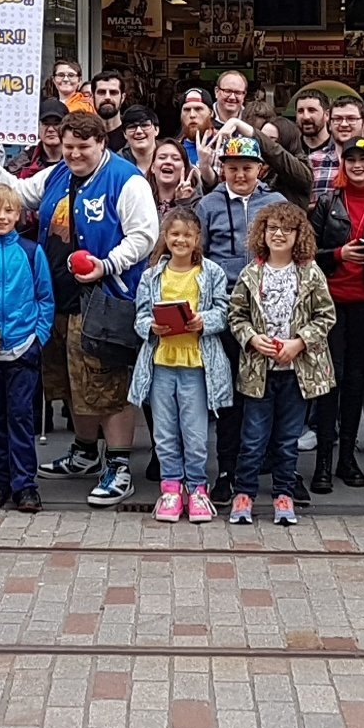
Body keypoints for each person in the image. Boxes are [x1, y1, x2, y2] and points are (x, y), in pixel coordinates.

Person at [0, 112, 160, 507]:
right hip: (57, 297)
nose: (74, 154)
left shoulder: (126, 179)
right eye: (68, 146)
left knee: (108, 384)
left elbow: (145, 235)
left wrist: (107, 264)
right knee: (74, 383)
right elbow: (19, 191)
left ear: (101, 144)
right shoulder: (56, 174)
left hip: (106, 299)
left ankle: (119, 466)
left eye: (83, 147)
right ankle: (84, 452)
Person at [226, 202, 336, 526]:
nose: (278, 234)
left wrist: (299, 342)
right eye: (272, 227)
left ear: (298, 235)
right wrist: (250, 338)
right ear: (262, 231)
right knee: (253, 439)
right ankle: (243, 493)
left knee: (288, 441)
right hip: (259, 373)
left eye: (287, 229)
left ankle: (283, 494)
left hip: (297, 374)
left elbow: (326, 315)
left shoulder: (310, 272)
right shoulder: (251, 274)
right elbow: (236, 315)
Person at [132, 207, 234, 523]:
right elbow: (140, 315)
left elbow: (224, 311)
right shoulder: (152, 276)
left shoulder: (211, 272)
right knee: (164, 432)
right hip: (161, 362)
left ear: (197, 238)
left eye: (187, 235)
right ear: (165, 237)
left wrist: (203, 321)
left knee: (194, 431)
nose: (180, 240)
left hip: (196, 364)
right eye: (174, 234)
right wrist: (151, 326)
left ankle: (198, 488)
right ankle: (171, 487)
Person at [307, 138, 364, 495]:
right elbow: (308, 254)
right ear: (343, 165)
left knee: (358, 379)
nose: (357, 165)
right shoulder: (328, 203)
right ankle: (323, 462)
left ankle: (347, 456)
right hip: (330, 304)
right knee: (330, 379)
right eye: (352, 160)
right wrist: (339, 253)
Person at [197, 135, 283, 501]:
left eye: (247, 168)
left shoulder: (275, 203)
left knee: (270, 395)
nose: (240, 175)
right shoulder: (208, 205)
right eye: (232, 168)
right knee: (228, 395)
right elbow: (197, 253)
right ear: (222, 169)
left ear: (260, 169)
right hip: (227, 310)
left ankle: (278, 472)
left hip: (271, 312)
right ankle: (227, 471)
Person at [0, 184, 55, 511]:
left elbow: (45, 298)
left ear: (18, 215)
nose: (2, 217)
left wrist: (38, 338)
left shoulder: (32, 253)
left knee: (20, 416)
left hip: (23, 348)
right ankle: (1, 478)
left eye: (8, 211)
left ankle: (25, 483)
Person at [16, 101, 68, 178]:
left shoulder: (75, 158)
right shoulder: (24, 161)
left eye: (56, 124)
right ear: (37, 126)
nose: (50, 129)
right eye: (45, 124)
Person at [148, 137, 201, 210]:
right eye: (162, 157)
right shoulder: (141, 198)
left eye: (176, 159)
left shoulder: (197, 203)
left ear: (185, 168)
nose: (168, 161)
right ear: (152, 167)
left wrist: (184, 202)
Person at [91, 70, 129, 154]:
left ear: (122, 98)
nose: (107, 97)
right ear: (92, 97)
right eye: (101, 92)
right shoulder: (86, 133)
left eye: (113, 92)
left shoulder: (131, 134)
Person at [177, 87, 215, 168]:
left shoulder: (224, 144)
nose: (192, 115)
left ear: (211, 113)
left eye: (198, 109)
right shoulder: (173, 149)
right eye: (186, 110)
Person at [118, 106, 161, 172]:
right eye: (132, 127)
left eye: (144, 125)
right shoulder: (117, 163)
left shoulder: (172, 155)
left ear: (156, 130)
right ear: (124, 134)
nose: (139, 131)